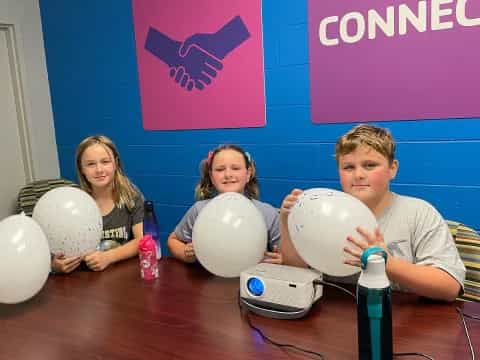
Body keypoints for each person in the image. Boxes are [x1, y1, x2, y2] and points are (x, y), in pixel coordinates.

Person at [280, 124, 465, 301]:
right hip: (335, 318)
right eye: (348, 167)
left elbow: (449, 287)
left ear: (392, 169)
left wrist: (386, 263)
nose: (358, 174)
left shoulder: (419, 213)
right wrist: (286, 221)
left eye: (369, 165)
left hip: (405, 321)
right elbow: (296, 272)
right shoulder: (321, 213)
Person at [167, 144, 281, 264]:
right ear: (211, 176)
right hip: (210, 279)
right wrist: (185, 252)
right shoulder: (200, 210)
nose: (228, 175)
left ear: (248, 174)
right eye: (220, 169)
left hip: (253, 279)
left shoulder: (267, 213)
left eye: (236, 168)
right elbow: (172, 240)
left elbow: (286, 256)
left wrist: (283, 260)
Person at [51, 135, 144, 273]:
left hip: (123, 275)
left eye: (105, 162)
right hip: (84, 279)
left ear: (116, 163)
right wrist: (56, 265)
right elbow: (58, 247)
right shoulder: (73, 204)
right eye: (91, 164)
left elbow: (141, 241)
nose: (99, 170)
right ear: (81, 169)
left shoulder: (131, 196)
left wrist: (108, 257)